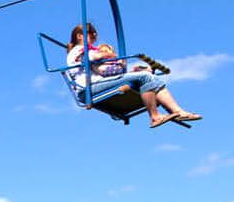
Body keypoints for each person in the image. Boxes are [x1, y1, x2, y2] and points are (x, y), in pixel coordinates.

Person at [66, 23, 201, 128]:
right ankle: (155, 116)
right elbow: (93, 57)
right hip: (89, 88)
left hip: (98, 83)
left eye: (95, 34)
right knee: (144, 77)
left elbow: (105, 71)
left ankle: (177, 111)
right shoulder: (78, 50)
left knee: (151, 78)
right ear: (80, 36)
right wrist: (110, 55)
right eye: (92, 34)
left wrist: (132, 71)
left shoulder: (87, 51)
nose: (95, 36)